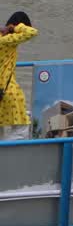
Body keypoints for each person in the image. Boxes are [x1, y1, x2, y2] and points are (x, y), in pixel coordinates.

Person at [0, 12, 38, 141]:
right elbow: (31, 32)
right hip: (7, 90)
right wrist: (14, 28)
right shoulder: (8, 40)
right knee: (22, 130)